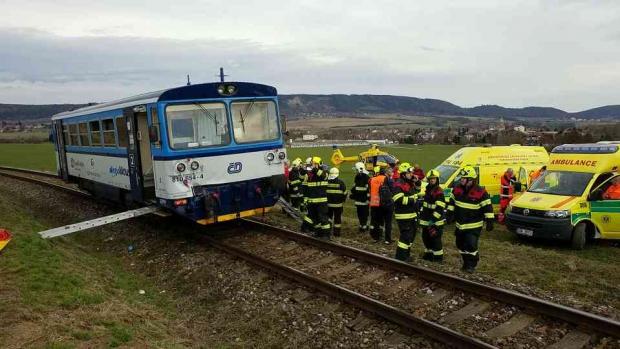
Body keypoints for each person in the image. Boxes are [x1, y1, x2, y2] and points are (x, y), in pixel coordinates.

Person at [447, 166, 494, 273]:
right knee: (460, 245)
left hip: (474, 225)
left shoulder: (481, 192)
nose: (461, 180)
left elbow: (487, 207)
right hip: (460, 225)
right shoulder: (457, 189)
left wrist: (490, 221)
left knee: (471, 245)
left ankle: (471, 265)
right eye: (461, 178)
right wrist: (449, 215)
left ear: (471, 180)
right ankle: (466, 263)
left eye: (464, 178)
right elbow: (451, 203)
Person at [392, 162, 420, 261]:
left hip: (411, 214)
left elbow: (417, 191)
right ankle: (400, 257)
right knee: (405, 236)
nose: (411, 174)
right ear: (403, 174)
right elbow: (398, 199)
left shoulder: (408, 183)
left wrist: (417, 182)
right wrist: (413, 199)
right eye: (409, 173)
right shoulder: (398, 184)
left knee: (410, 236)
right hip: (403, 215)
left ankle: (406, 255)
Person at [419, 169, 446, 262]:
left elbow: (440, 208)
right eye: (430, 179)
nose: (432, 180)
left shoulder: (439, 191)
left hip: (435, 221)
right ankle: (428, 255)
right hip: (426, 219)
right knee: (426, 238)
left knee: (435, 240)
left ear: (437, 179)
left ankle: (438, 259)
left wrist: (433, 220)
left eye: (433, 179)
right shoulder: (428, 188)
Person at [301, 157, 331, 239]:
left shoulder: (325, 173)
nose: (312, 166)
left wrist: (314, 169)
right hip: (312, 201)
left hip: (322, 202)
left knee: (323, 218)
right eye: (312, 164)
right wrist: (303, 170)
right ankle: (318, 233)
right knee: (315, 219)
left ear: (319, 164)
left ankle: (326, 235)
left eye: (314, 164)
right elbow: (305, 186)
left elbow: (323, 175)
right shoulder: (310, 175)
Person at [369, 166, 394, 244]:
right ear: (385, 173)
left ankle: (376, 237)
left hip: (374, 201)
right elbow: (392, 189)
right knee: (388, 222)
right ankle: (387, 239)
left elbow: (370, 189)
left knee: (376, 221)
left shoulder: (372, 179)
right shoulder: (386, 179)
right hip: (384, 202)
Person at [350, 162, 371, 233]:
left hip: (363, 200)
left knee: (362, 214)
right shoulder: (365, 177)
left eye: (356, 169)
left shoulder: (363, 177)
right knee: (362, 214)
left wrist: (368, 199)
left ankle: (363, 226)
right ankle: (363, 226)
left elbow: (367, 190)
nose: (355, 171)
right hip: (362, 201)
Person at [326, 167, 347, 237]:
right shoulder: (341, 183)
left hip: (328, 205)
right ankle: (336, 233)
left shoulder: (327, 182)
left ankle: (327, 231)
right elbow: (345, 193)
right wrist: (343, 200)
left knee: (328, 218)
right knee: (337, 219)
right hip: (338, 205)